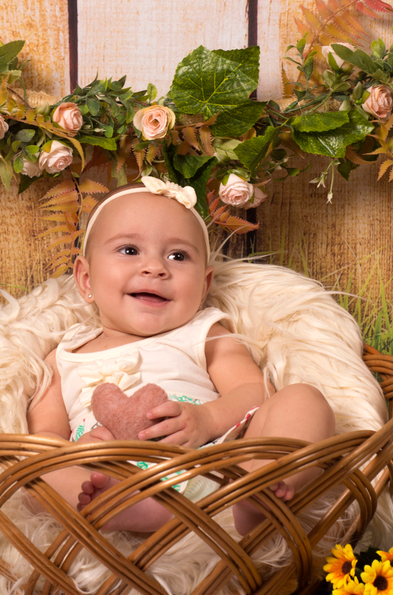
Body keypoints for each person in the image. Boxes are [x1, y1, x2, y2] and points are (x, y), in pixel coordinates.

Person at [27, 175, 337, 533]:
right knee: (37, 473)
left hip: (216, 470)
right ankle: (133, 508)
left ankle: (261, 486)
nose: (155, 267)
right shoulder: (62, 355)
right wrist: (80, 452)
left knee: (303, 399)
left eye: (178, 255)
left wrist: (207, 419)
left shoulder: (203, 332)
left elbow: (258, 392)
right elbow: (44, 439)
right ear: (85, 279)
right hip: (111, 474)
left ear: (204, 286)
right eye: (129, 250)